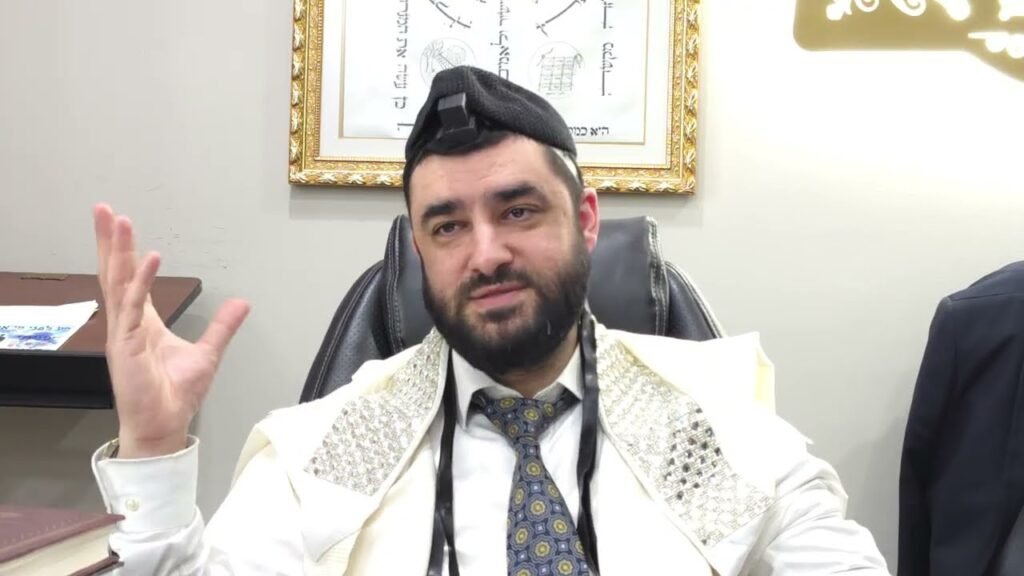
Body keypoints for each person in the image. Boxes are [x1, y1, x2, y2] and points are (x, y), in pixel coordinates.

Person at [90, 66, 890, 575]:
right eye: (447, 226)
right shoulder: (334, 448)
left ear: (583, 221)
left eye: (518, 211)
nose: (486, 253)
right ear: (420, 249)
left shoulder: (711, 433)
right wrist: (154, 451)